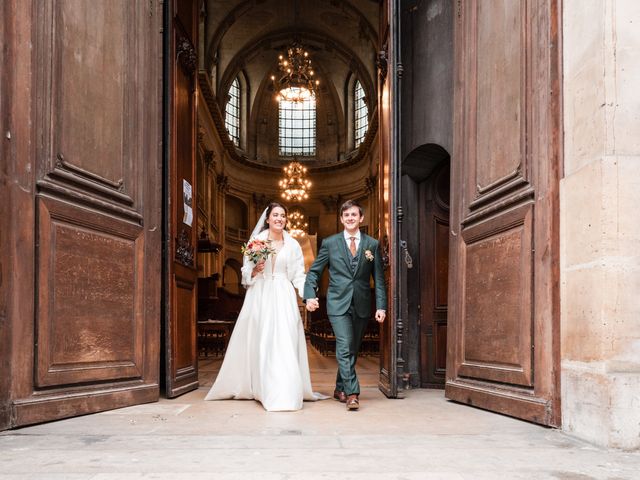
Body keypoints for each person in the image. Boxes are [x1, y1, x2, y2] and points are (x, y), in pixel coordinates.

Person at [205, 202, 327, 411]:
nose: (279, 218)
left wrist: (308, 297)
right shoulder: (256, 241)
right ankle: (261, 387)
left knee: (285, 338)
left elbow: (298, 275)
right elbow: (245, 272)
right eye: (275, 215)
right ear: (268, 219)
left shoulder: (293, 244)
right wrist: (254, 271)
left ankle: (285, 390)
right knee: (261, 339)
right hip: (260, 294)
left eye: (283, 216)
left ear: (286, 220)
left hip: (283, 294)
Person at [304, 199, 387, 411]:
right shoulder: (330, 243)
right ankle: (352, 393)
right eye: (346, 215)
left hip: (361, 304)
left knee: (352, 348)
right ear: (341, 219)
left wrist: (381, 306)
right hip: (337, 303)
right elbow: (314, 272)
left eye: (354, 215)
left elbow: (378, 278)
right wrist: (309, 295)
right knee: (343, 345)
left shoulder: (372, 245)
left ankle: (339, 387)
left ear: (361, 218)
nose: (350, 218)